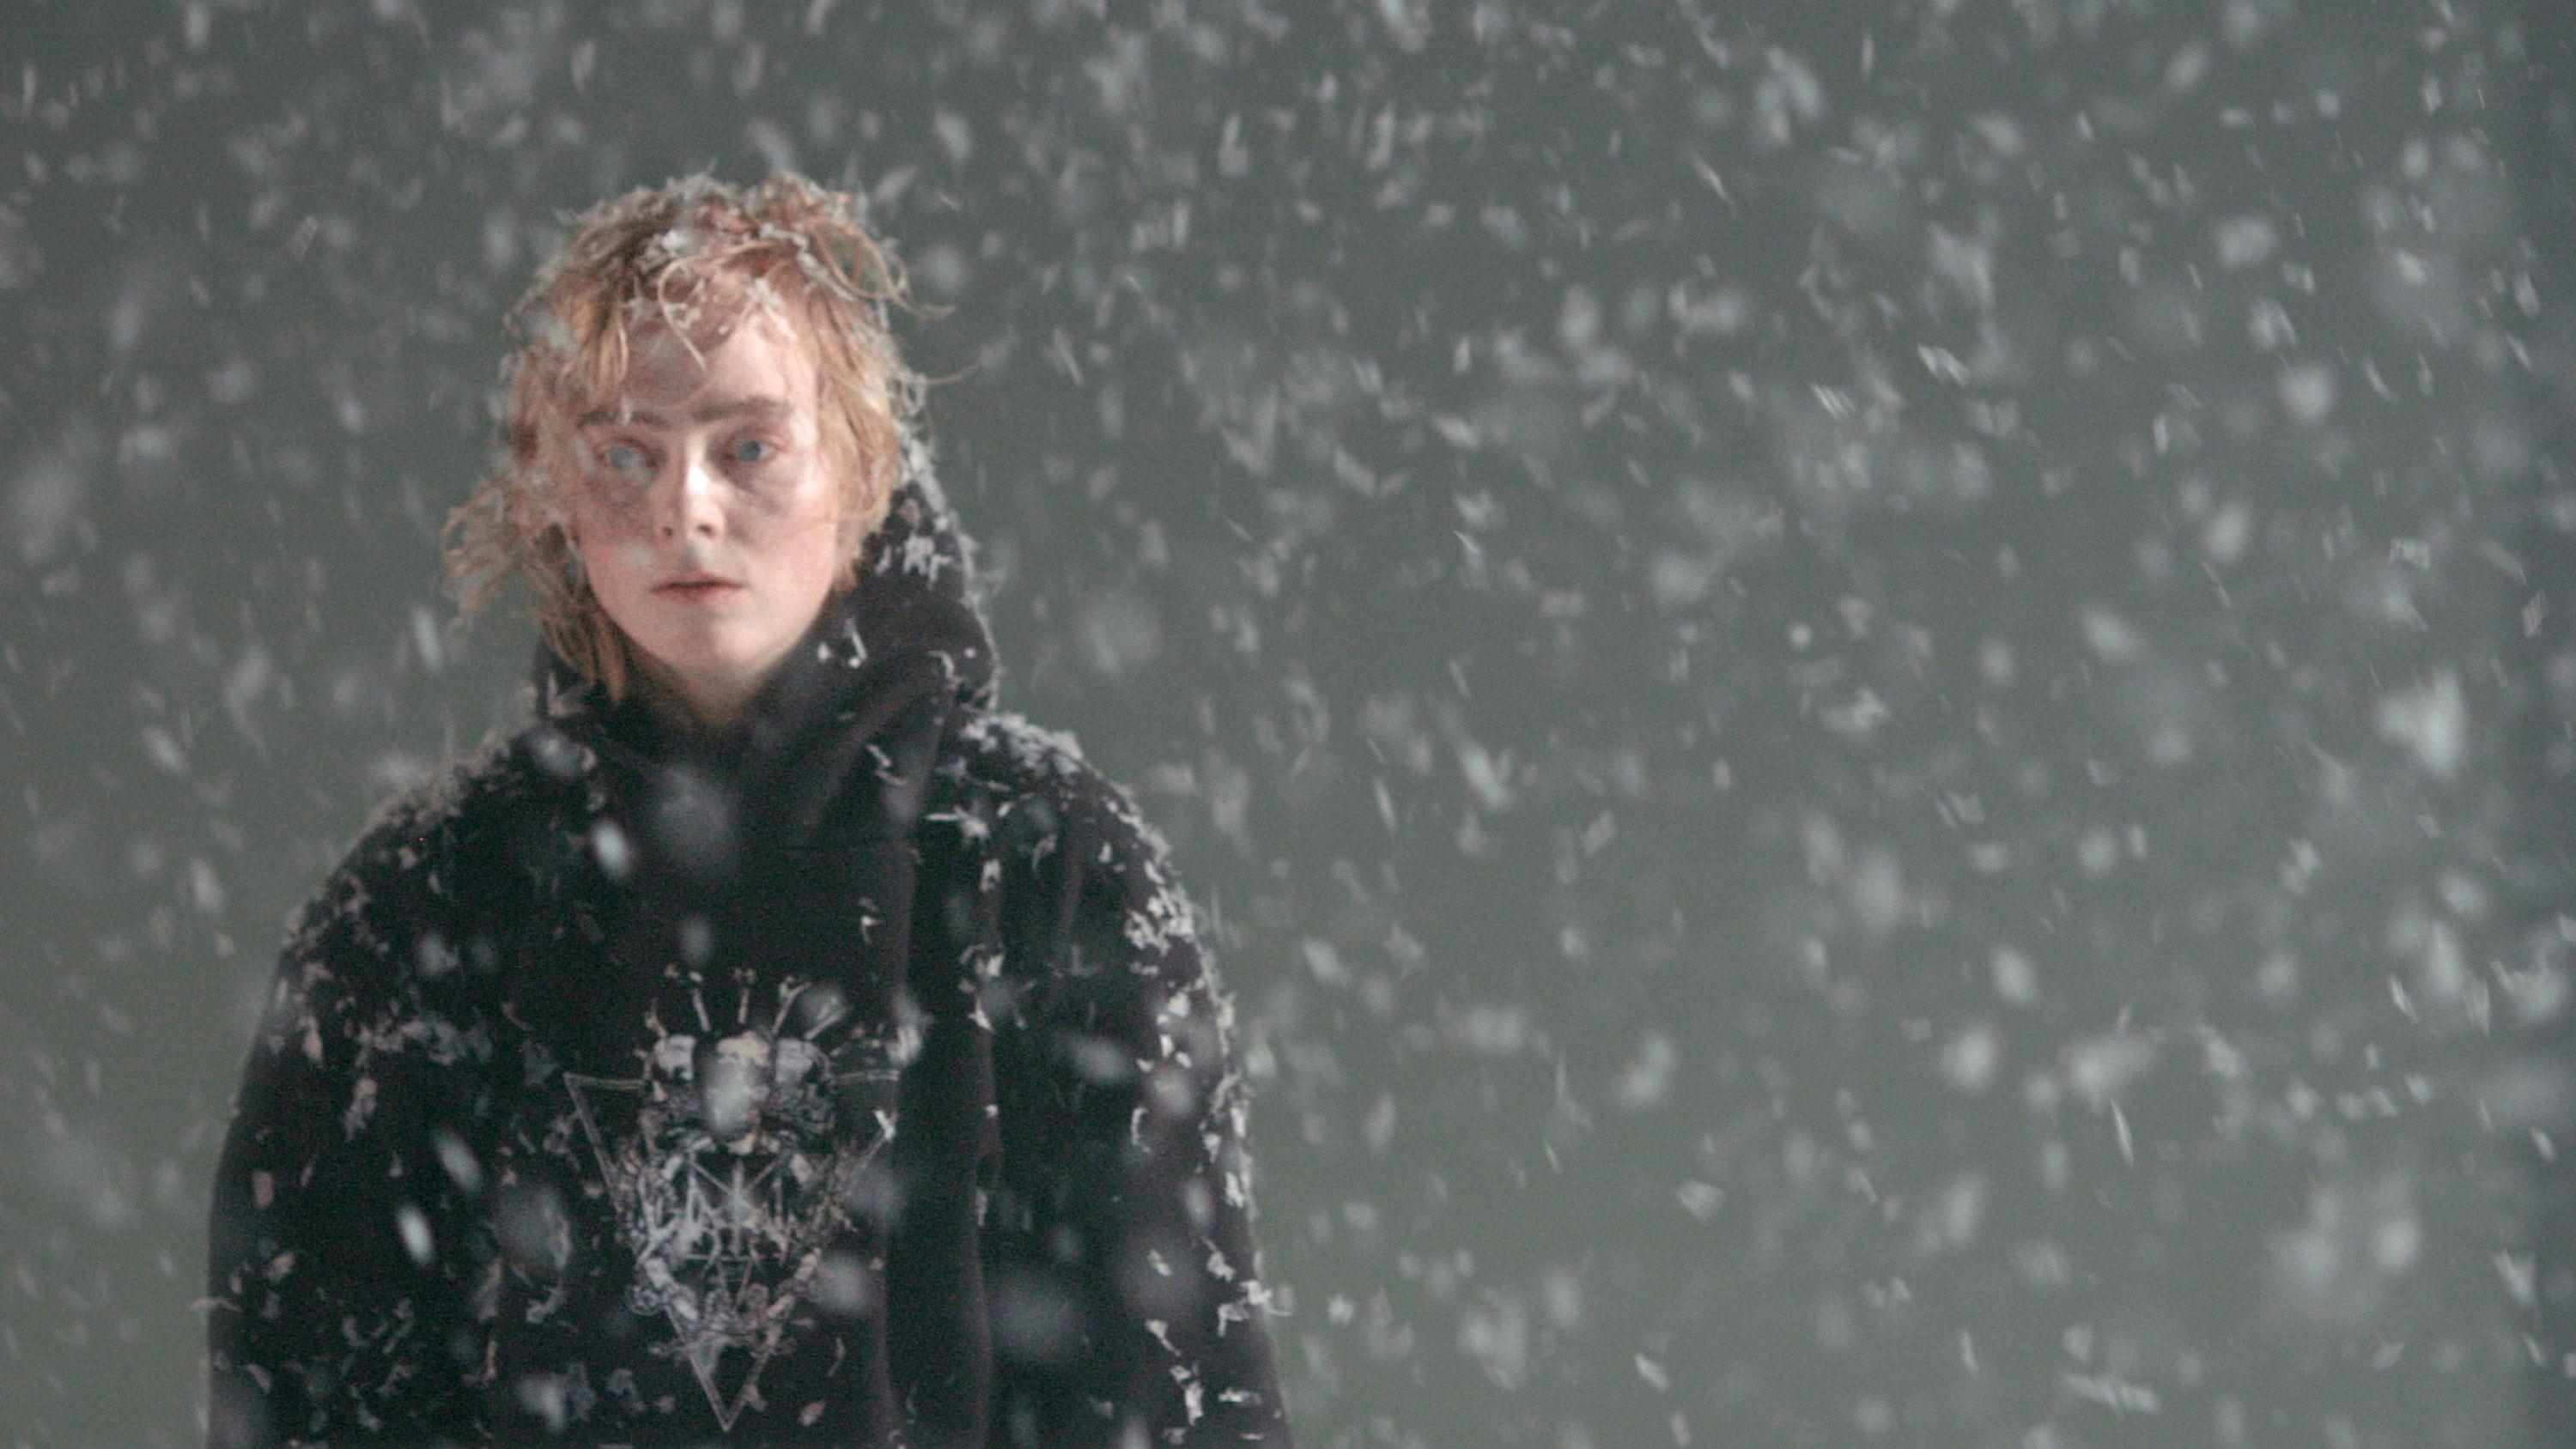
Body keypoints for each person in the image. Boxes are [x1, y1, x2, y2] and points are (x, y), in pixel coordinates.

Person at [204, 173, 1292, 1448]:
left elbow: (1168, 1395)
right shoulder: (423, 902)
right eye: (626, 451)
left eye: (750, 446)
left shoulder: (1049, 871)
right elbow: (317, 1395)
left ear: (864, 466)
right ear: (553, 490)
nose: (687, 506)